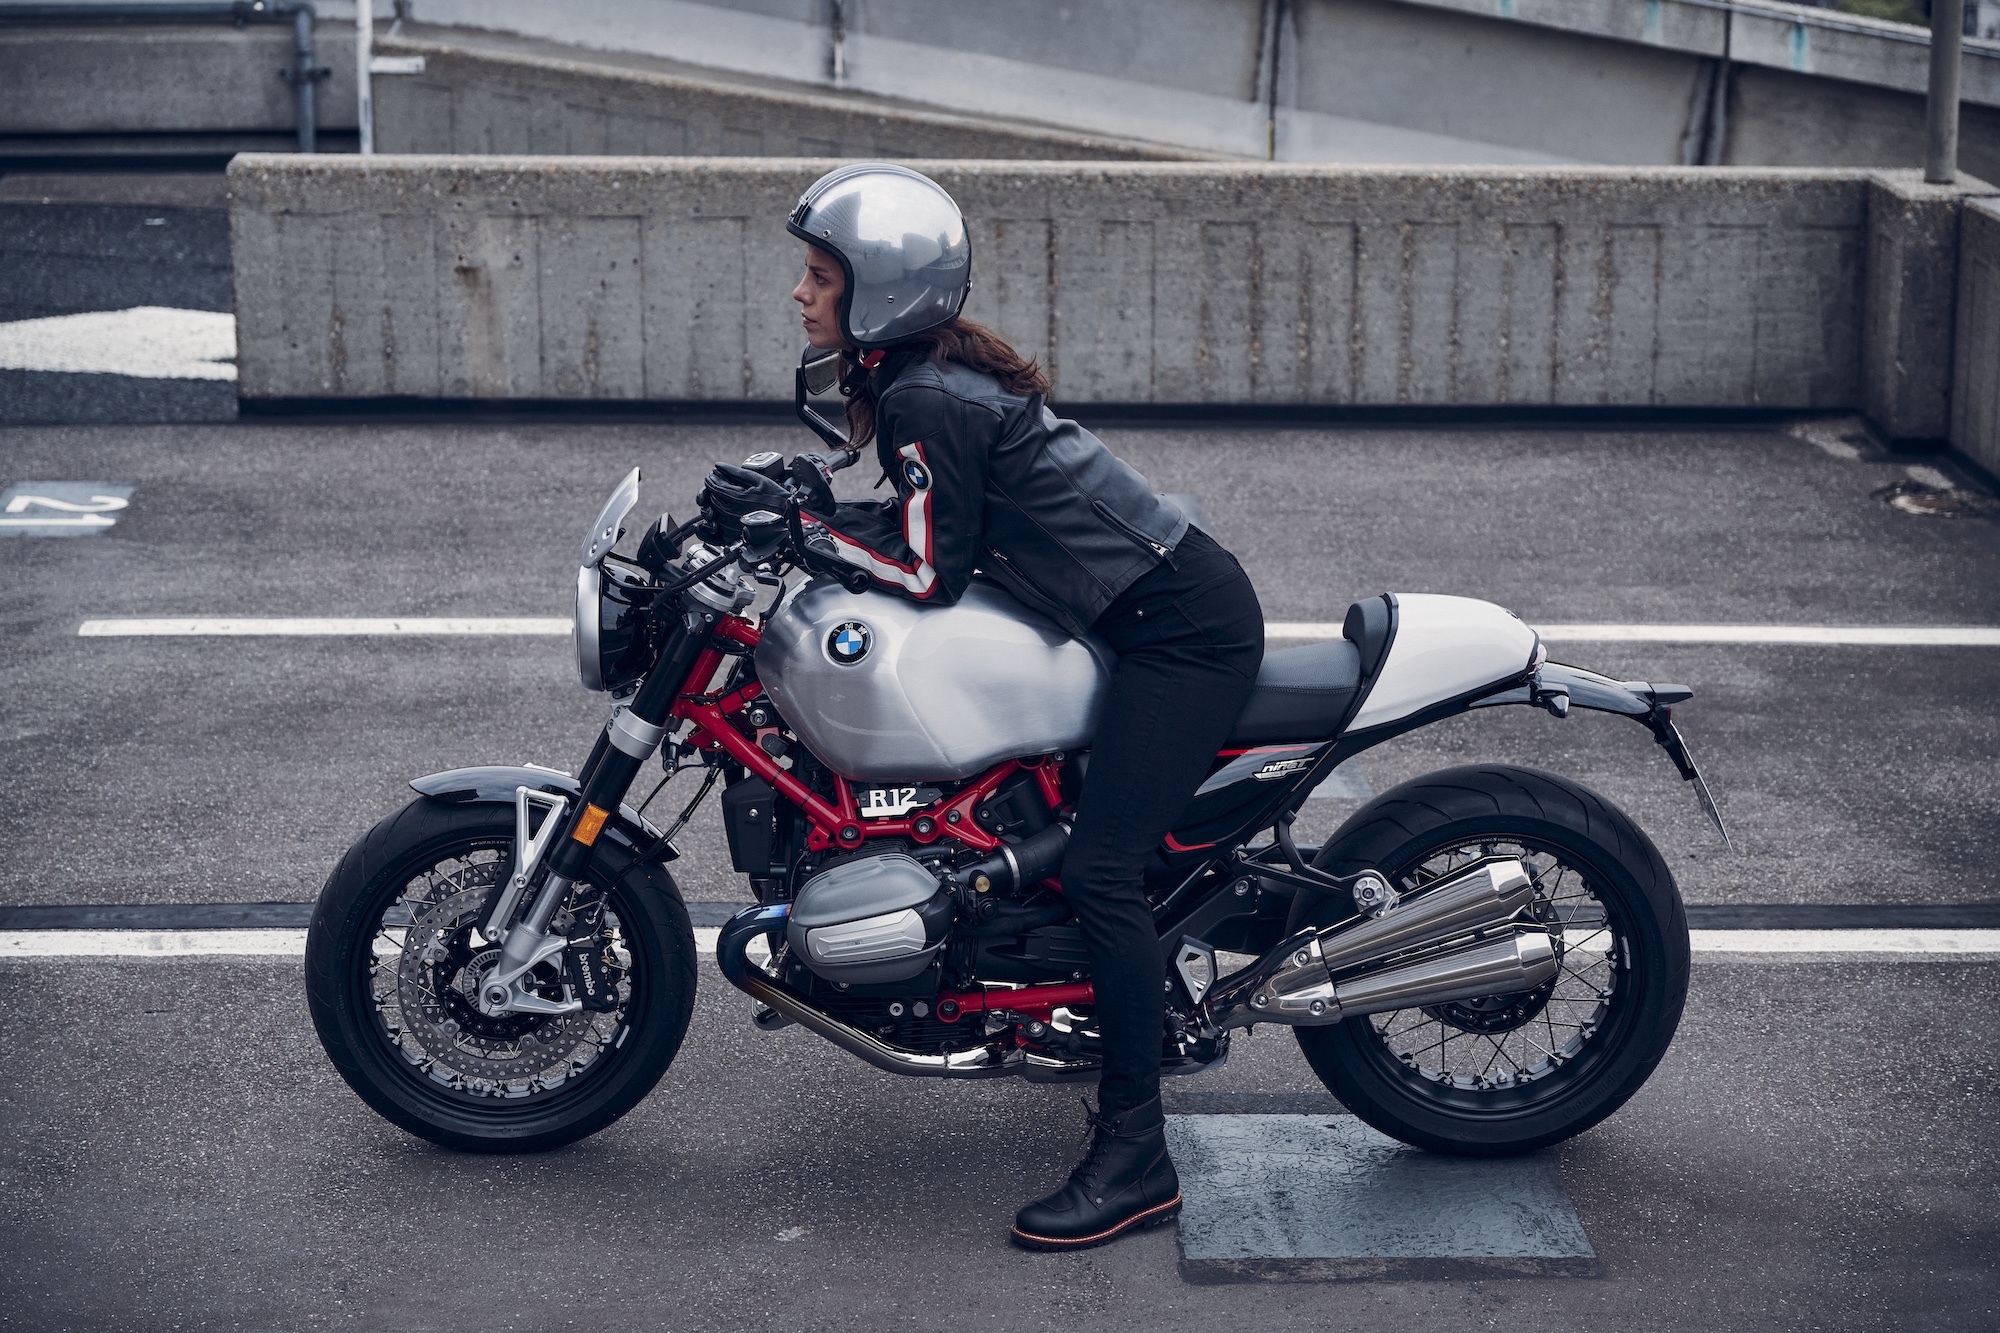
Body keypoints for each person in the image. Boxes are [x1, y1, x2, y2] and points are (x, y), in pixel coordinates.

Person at [783, 163, 1264, 1250]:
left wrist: (798, 532)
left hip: (1178, 632)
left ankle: (1137, 1158)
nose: (800, 296)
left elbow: (923, 574)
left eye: (819, 276)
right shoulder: (920, 379)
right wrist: (798, 503)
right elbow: (924, 514)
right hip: (1121, 612)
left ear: (881, 292)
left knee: (1100, 868)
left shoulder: (921, 392)